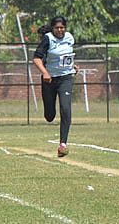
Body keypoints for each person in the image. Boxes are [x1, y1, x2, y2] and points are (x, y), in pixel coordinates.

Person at [33, 16, 78, 157]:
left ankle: (63, 144)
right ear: (53, 28)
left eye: (62, 27)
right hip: (50, 80)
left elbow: (67, 56)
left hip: (65, 78)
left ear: (65, 28)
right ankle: (48, 113)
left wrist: (73, 65)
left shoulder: (70, 38)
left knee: (65, 108)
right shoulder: (48, 39)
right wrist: (45, 72)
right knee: (50, 116)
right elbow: (36, 58)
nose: (60, 30)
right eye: (57, 28)